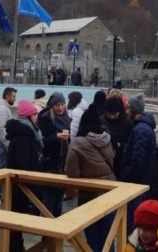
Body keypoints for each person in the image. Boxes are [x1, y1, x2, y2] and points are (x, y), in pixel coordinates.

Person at [64, 104, 116, 252]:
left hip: (89, 194)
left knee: (92, 236)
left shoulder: (78, 143)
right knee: (108, 235)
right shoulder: (107, 138)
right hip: (110, 192)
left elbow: (71, 171)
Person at [5, 99, 43, 252]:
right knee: (16, 217)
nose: (36, 118)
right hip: (19, 184)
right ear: (28, 116)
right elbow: (24, 164)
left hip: (18, 183)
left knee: (16, 216)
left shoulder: (24, 132)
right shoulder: (24, 136)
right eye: (34, 115)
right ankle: (14, 247)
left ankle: (15, 246)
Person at [120, 93, 157, 234]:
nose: (126, 111)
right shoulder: (144, 127)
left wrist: (125, 175)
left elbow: (137, 160)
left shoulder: (140, 130)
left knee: (133, 222)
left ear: (134, 110)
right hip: (141, 181)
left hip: (135, 184)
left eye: (128, 108)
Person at [37, 91, 71, 217]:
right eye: (57, 105)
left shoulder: (67, 118)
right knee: (49, 198)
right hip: (49, 162)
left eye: (62, 104)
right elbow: (41, 141)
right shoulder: (45, 118)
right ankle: (46, 230)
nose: (61, 107)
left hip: (62, 162)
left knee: (59, 198)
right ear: (52, 106)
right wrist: (56, 137)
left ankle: (56, 230)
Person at [0, 87, 17, 206]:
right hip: (1, 143)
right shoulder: (3, 109)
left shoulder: (2, 108)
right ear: (7, 96)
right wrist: (7, 145)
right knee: (1, 170)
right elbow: (2, 129)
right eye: (13, 97)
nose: (14, 99)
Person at [100, 97, 134, 179]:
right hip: (105, 161)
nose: (112, 117)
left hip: (121, 160)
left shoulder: (128, 123)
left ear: (119, 111)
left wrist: (120, 145)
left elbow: (132, 144)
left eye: (114, 114)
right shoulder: (101, 120)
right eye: (109, 114)